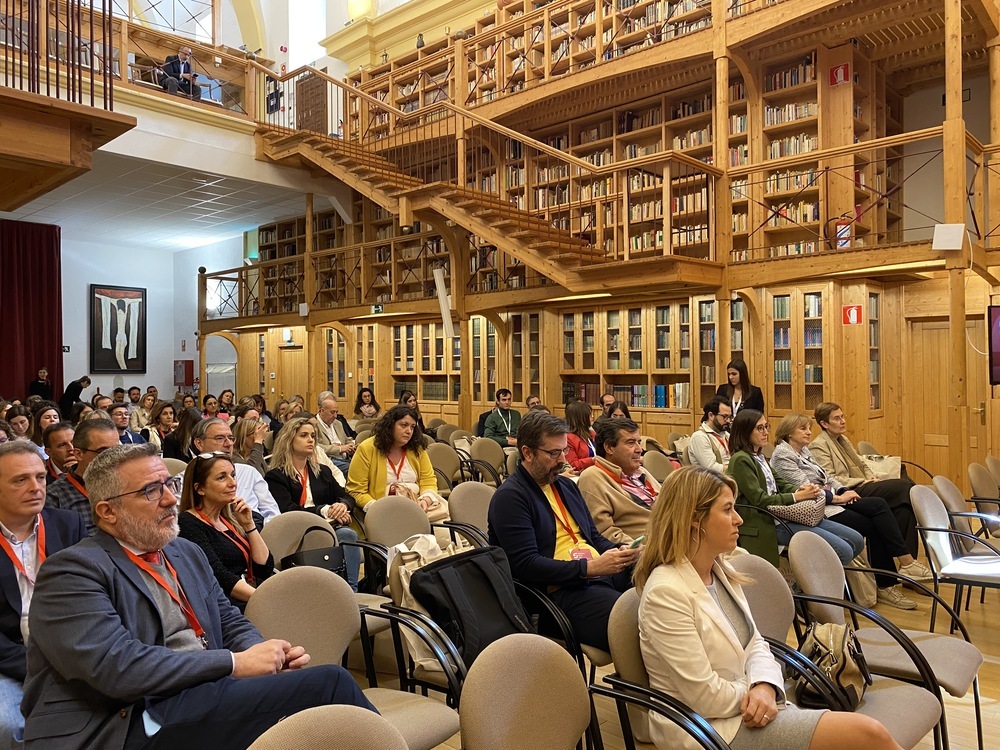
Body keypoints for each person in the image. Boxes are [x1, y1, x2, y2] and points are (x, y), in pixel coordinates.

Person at [22, 443, 376, 750]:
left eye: (169, 484)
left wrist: (266, 658)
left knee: (312, 709)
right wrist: (236, 664)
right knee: (330, 683)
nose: (170, 499)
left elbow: (228, 619)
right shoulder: (72, 571)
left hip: (199, 694)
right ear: (108, 511)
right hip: (125, 720)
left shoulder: (183, 552)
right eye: (150, 491)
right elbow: (119, 668)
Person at [634, 465, 900, 750]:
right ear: (694, 520)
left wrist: (766, 685)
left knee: (866, 735)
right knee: (868, 734)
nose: (738, 519)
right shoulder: (666, 593)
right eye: (727, 510)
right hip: (708, 729)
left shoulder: (719, 570)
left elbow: (756, 644)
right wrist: (757, 691)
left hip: (747, 707)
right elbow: (702, 695)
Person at [488, 411, 638, 651]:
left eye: (564, 451)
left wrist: (621, 552)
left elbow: (593, 537)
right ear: (527, 453)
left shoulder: (565, 485)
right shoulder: (510, 497)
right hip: (557, 593)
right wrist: (589, 568)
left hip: (595, 575)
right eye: (553, 453)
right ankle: (641, 685)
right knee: (638, 621)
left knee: (665, 596)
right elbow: (526, 566)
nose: (562, 461)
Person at [769, 414, 930, 609]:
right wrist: (838, 497)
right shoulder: (782, 455)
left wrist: (844, 490)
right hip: (818, 508)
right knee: (878, 514)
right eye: (803, 429)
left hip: (832, 500)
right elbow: (806, 488)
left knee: (884, 508)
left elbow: (827, 478)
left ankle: (899, 571)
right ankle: (898, 571)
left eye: (809, 428)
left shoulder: (803, 451)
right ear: (788, 432)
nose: (809, 432)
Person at [0, 441, 87, 749]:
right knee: (10, 725)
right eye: (20, 479)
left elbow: (88, 597)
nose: (36, 487)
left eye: (40, 477)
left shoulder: (68, 524)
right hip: (8, 660)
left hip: (71, 651)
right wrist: (36, 668)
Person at [726, 409, 864, 567]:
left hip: (785, 515)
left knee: (857, 540)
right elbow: (759, 499)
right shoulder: (740, 460)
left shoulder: (759, 456)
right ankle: (807, 587)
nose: (765, 432)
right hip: (767, 522)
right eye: (760, 428)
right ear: (745, 431)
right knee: (844, 551)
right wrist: (797, 497)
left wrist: (804, 490)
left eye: (766, 427)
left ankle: (810, 583)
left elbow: (781, 484)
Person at [809, 402, 919, 557]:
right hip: (849, 489)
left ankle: (906, 568)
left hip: (863, 483)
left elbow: (861, 464)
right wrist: (861, 482)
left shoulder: (843, 439)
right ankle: (931, 512)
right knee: (906, 487)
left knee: (903, 509)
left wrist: (871, 477)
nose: (843, 421)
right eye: (837, 418)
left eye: (843, 416)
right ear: (824, 423)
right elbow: (830, 478)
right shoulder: (819, 445)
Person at [264, 417, 361, 589]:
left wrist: (342, 506)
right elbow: (289, 510)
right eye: (303, 435)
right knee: (343, 535)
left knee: (348, 534)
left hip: (328, 527)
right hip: (297, 532)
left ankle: (351, 592)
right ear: (289, 440)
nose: (310, 440)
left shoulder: (322, 471)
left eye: (313, 435)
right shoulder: (276, 476)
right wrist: (323, 510)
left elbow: (347, 497)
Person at [179, 453, 274, 611]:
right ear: (200, 489)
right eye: (221, 478)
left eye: (233, 475)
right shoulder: (187, 523)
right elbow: (220, 577)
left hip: (250, 596)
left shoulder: (231, 517)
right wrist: (265, 601)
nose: (233, 483)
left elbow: (264, 567)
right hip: (225, 607)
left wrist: (249, 526)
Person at [578, 417, 661, 546]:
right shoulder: (593, 477)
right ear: (609, 448)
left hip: (675, 534)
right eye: (630, 443)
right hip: (649, 549)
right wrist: (645, 549)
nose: (639, 449)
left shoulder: (641, 472)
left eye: (639, 442)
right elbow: (605, 533)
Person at [346, 405, 439, 515]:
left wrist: (425, 499)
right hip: (382, 511)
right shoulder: (367, 448)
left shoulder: (416, 449)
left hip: (418, 508)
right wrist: (377, 509)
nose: (409, 431)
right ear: (390, 425)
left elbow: (428, 480)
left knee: (446, 531)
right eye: (404, 425)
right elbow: (356, 491)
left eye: (412, 427)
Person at [190, 419, 280, 524]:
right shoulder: (186, 478)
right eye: (220, 438)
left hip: (255, 529)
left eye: (231, 438)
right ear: (199, 444)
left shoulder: (248, 472)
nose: (228, 444)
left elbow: (272, 513)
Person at [45, 418, 120, 535]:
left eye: (117, 451)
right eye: (103, 452)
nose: (113, 458)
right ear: (78, 454)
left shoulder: (128, 485)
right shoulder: (54, 496)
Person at [689, 396, 733, 472]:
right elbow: (712, 469)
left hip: (729, 477)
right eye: (725, 417)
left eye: (730, 417)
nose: (728, 421)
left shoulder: (726, 435)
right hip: (711, 481)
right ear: (711, 416)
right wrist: (738, 468)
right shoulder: (700, 437)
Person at [316, 395, 356, 475]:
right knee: (354, 468)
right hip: (328, 459)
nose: (335, 416)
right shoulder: (314, 424)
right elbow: (316, 447)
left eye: (336, 412)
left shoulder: (337, 423)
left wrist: (351, 446)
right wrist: (340, 449)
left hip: (345, 458)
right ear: (322, 411)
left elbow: (346, 439)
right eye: (332, 412)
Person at [564, 400, 597, 472]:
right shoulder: (569, 438)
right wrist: (592, 460)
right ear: (581, 418)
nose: (593, 416)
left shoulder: (592, 433)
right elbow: (572, 464)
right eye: (590, 415)